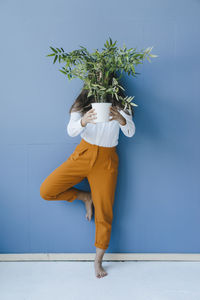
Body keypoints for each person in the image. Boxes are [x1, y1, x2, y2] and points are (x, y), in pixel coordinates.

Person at [40, 79, 136, 278]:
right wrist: (84, 120)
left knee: (105, 213)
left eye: (105, 74)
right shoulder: (82, 103)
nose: (101, 78)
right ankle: (85, 197)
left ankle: (98, 261)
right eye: (97, 75)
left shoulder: (121, 103)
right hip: (83, 154)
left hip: (107, 161)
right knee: (46, 190)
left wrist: (121, 119)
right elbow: (71, 130)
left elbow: (130, 132)